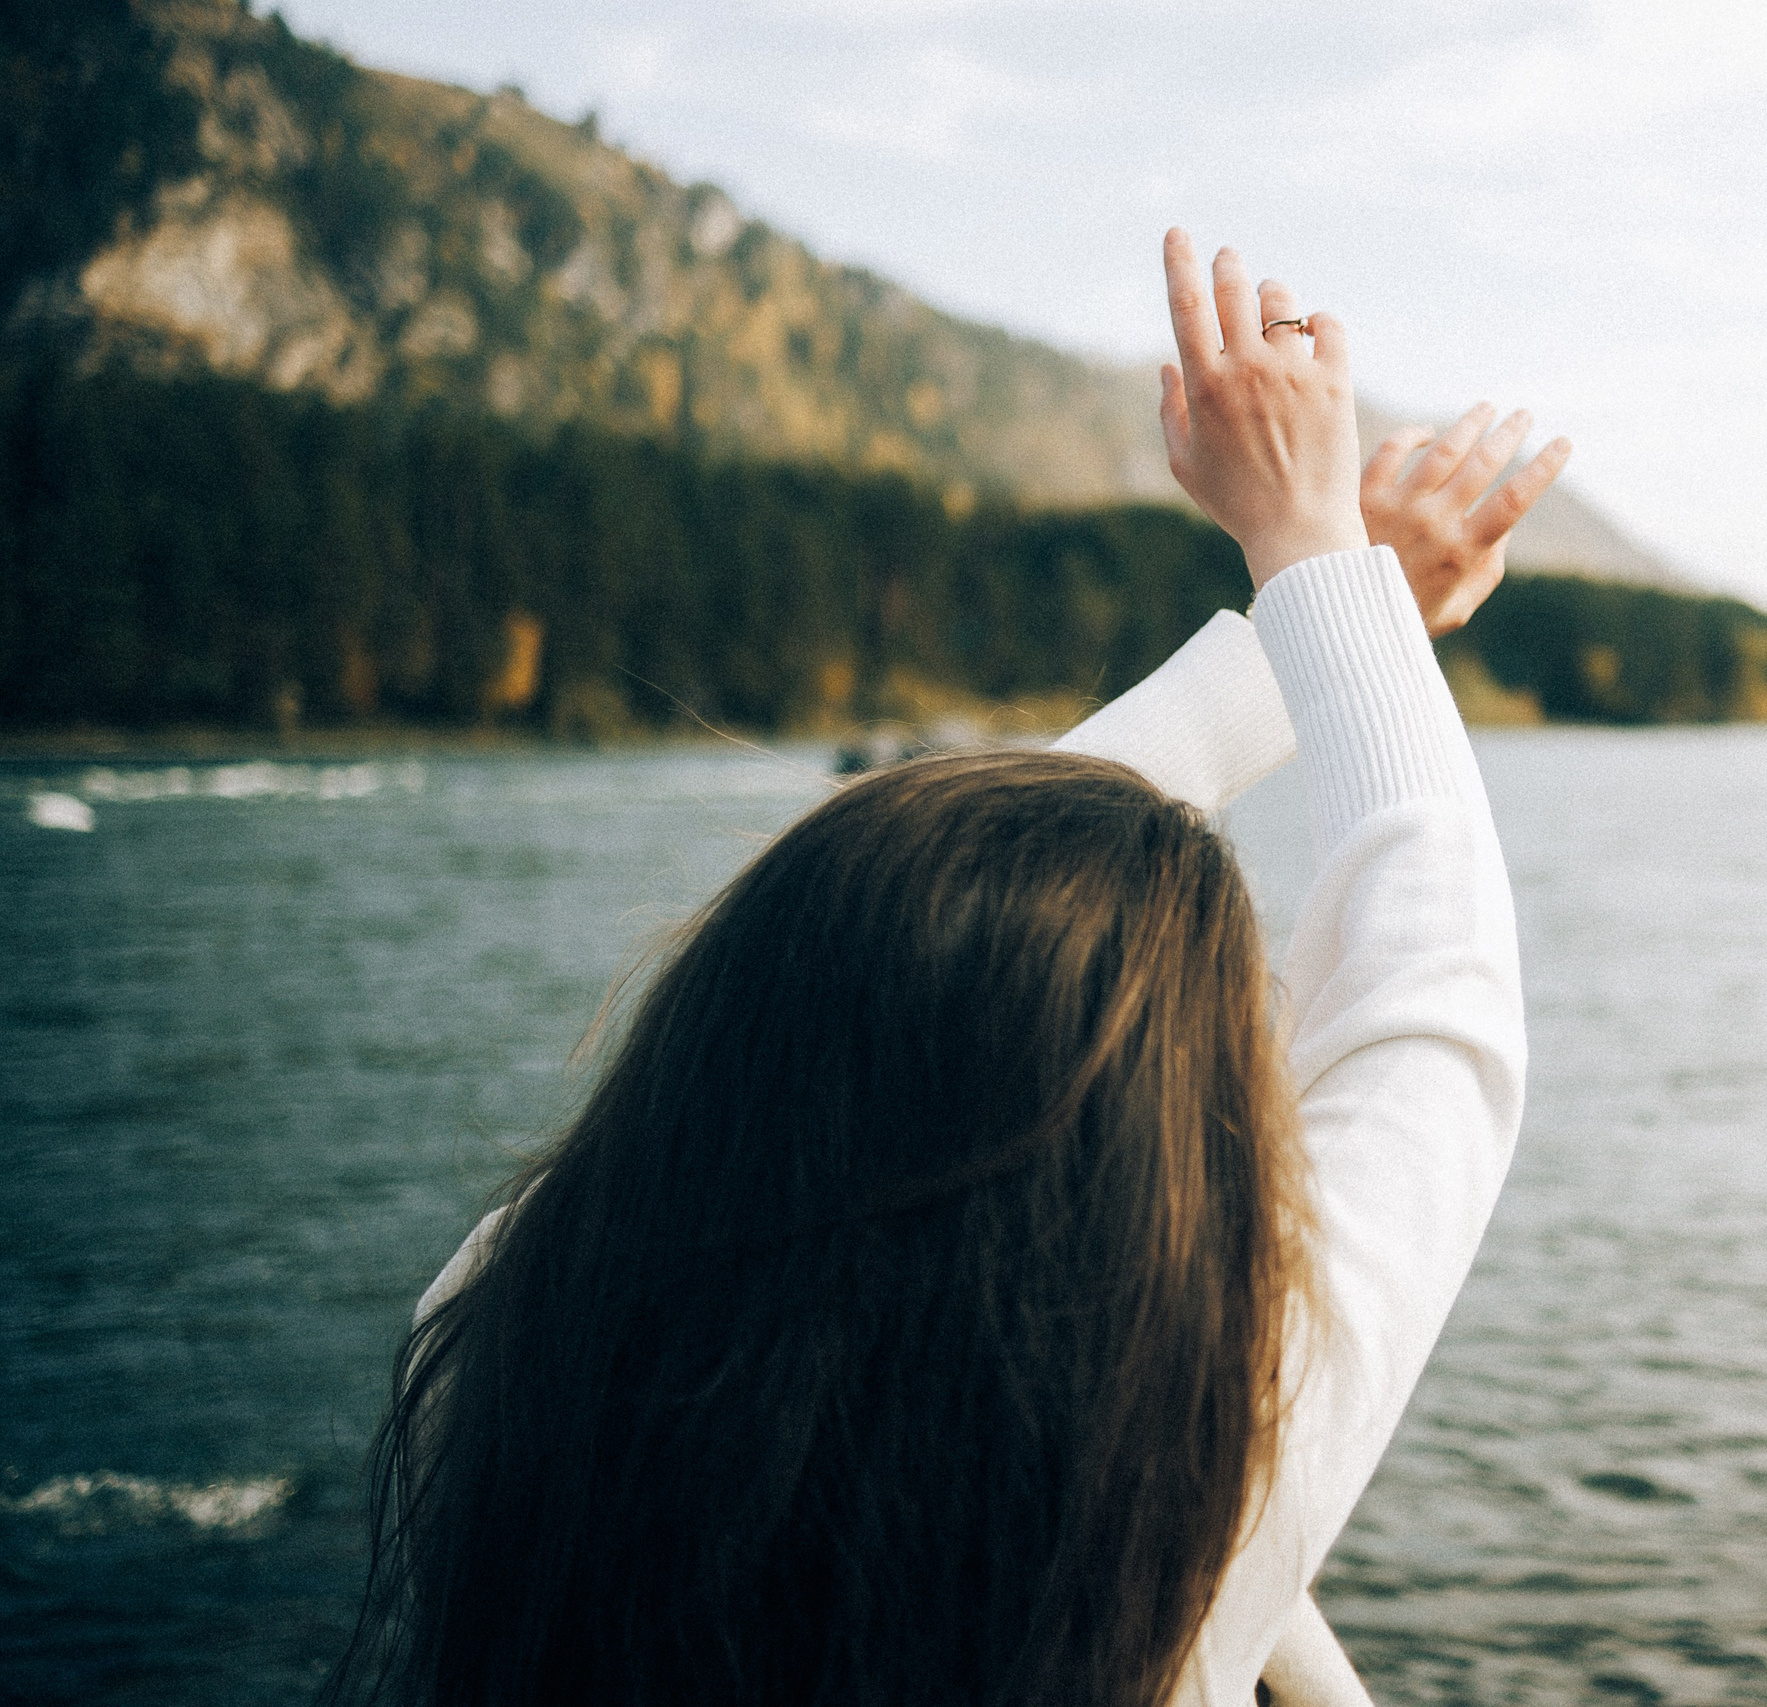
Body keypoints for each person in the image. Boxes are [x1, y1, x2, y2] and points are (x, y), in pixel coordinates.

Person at [327, 229, 1570, 1707]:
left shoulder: (510, 1347)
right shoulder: (1168, 1518)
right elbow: (1434, 998)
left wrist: (1315, 576)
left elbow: (848, 929)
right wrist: (1321, 580)